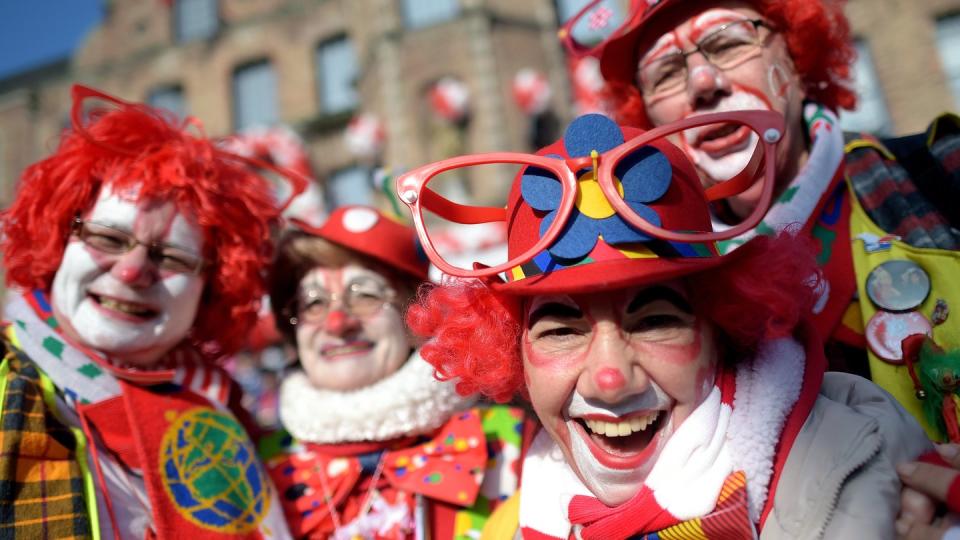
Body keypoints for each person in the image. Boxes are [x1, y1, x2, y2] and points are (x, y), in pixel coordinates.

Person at [402, 113, 931, 539]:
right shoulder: (511, 527)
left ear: (720, 330)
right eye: (562, 330)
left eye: (654, 321)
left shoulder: (862, 459)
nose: (609, 379)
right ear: (514, 356)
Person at [592, 0, 960, 443]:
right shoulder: (665, 282)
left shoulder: (942, 170)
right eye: (666, 73)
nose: (703, 82)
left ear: (797, 60)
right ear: (647, 120)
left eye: (728, 43)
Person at [0, 85, 294, 539]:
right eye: (108, 238)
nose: (133, 270)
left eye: (172, 257)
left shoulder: (230, 416)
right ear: (57, 240)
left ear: (209, 289)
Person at [261, 205, 528, 539]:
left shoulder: (513, 444)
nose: (337, 323)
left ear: (416, 317)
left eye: (365, 296)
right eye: (313, 304)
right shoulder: (257, 465)